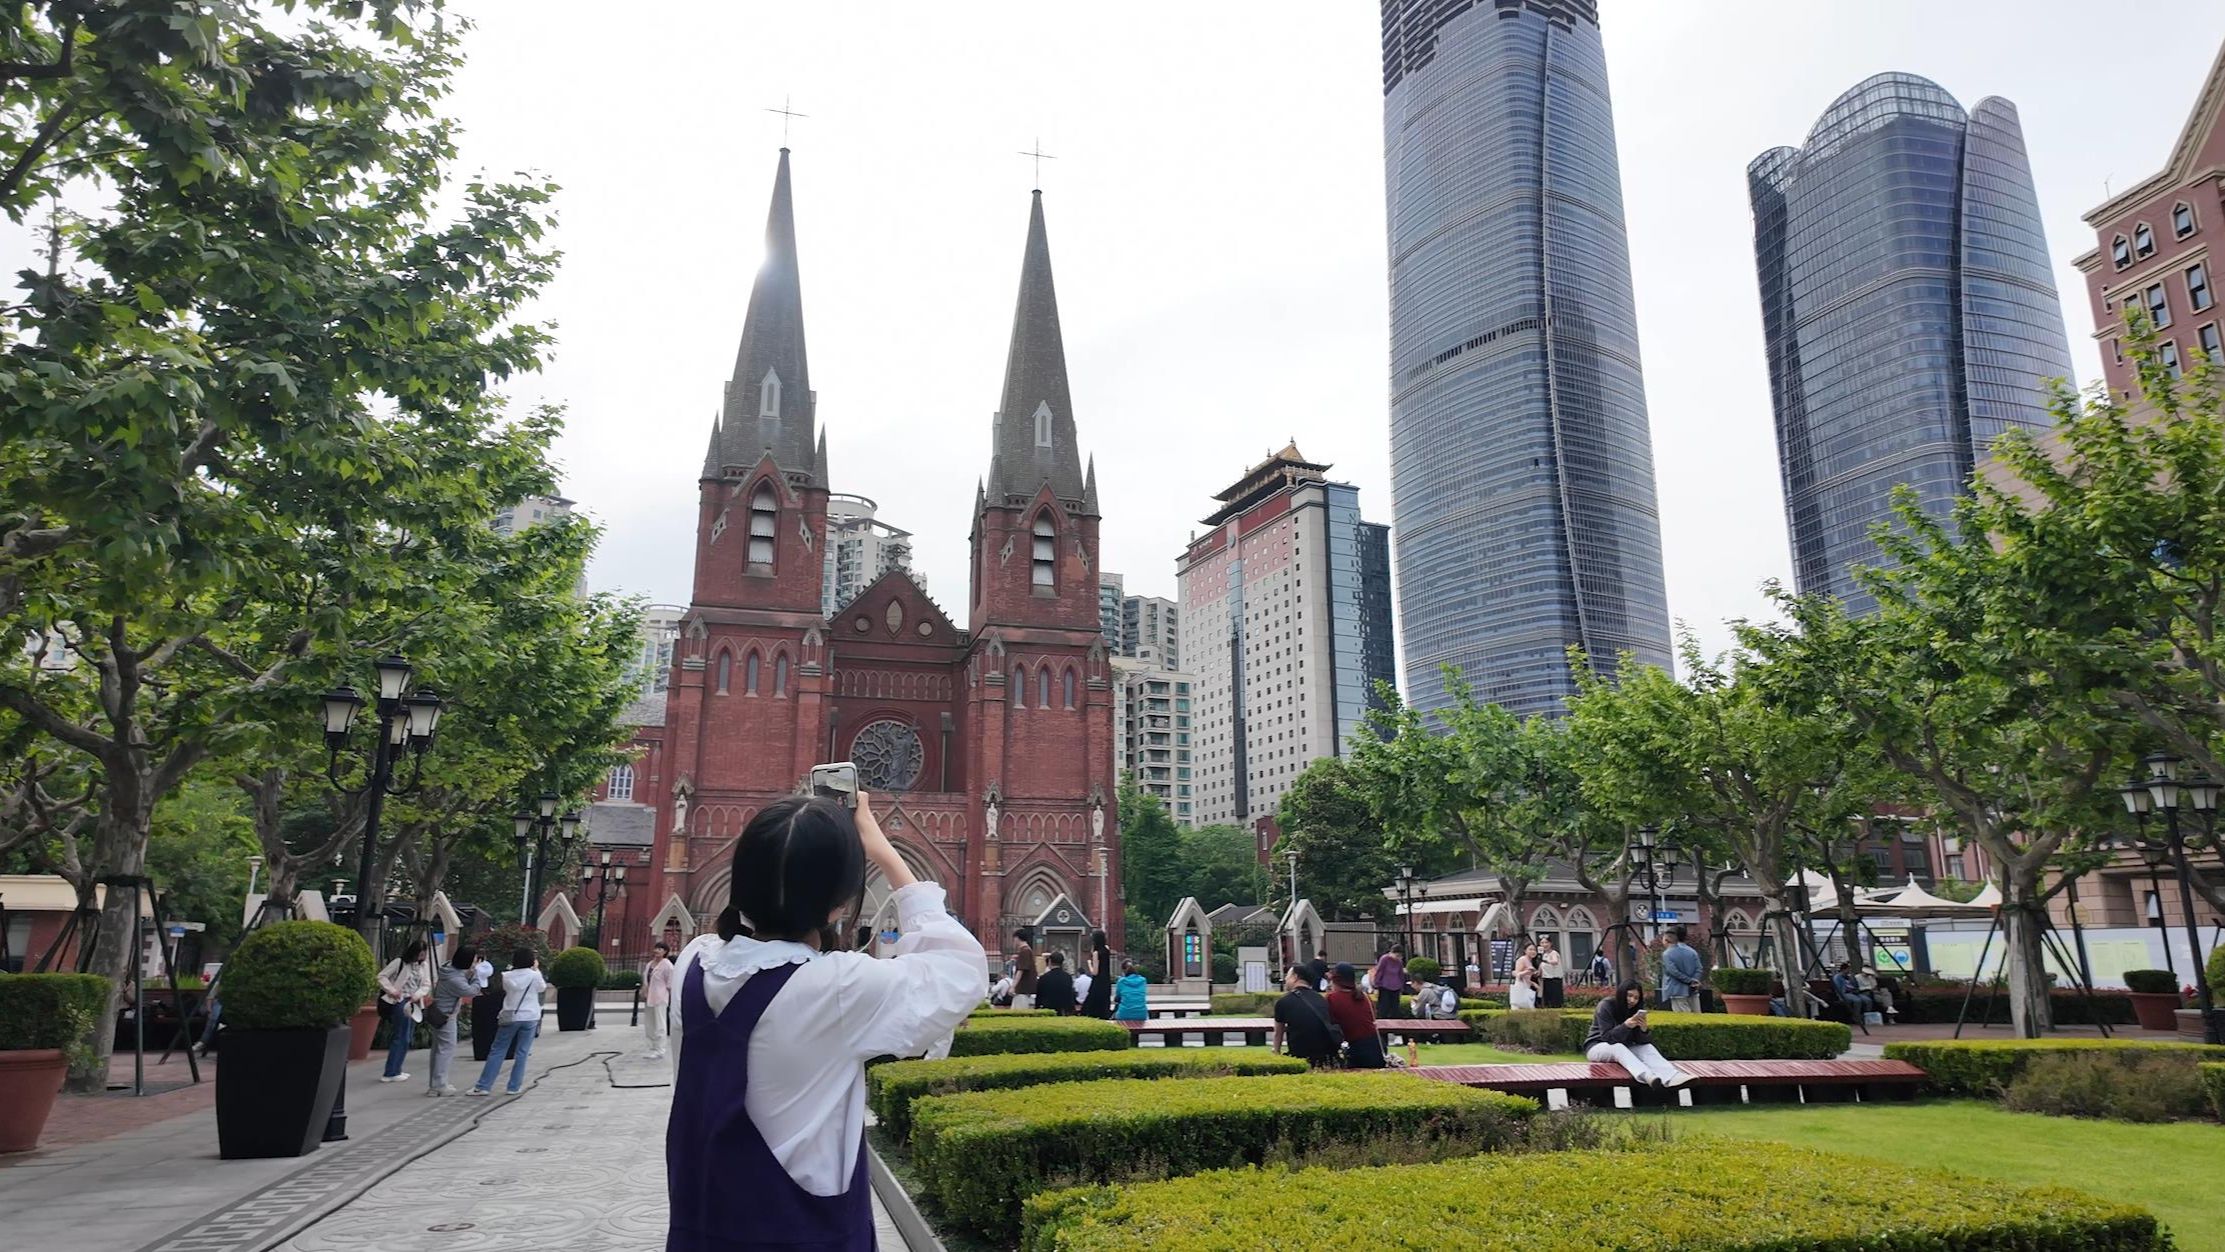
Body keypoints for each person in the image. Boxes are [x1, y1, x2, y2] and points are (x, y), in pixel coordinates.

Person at [665, 793, 981, 1250]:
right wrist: (884, 853)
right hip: (805, 1232)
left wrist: (795, 844)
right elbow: (959, 971)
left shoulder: (692, 964)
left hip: (701, 1226)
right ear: (839, 903)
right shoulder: (835, 987)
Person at [469, 948, 547, 1096]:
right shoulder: (534, 976)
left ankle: (484, 1086)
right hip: (530, 1016)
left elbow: (508, 990)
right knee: (522, 1052)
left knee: (498, 1050)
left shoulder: (507, 976)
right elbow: (541, 988)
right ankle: (514, 1087)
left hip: (510, 1015)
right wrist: (536, 970)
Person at [1584, 980, 1690, 1088]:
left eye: (1636, 998)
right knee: (1617, 1047)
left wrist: (1643, 1030)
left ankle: (1671, 1076)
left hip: (1624, 1046)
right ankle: (1646, 1076)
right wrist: (1626, 1026)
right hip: (1597, 1046)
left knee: (1647, 1047)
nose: (1632, 1000)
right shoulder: (1606, 1005)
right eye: (1629, 995)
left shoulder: (1634, 1010)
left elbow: (1640, 1041)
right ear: (1622, 993)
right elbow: (1608, 1037)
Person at [423, 943, 483, 1097]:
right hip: (446, 1016)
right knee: (446, 1050)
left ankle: (435, 1084)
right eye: (474, 960)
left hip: (439, 1013)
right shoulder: (455, 979)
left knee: (438, 1049)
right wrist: (475, 976)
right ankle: (439, 1085)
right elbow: (471, 991)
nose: (475, 963)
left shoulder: (448, 969)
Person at [376, 939, 433, 1083]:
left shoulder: (423, 966)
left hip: (413, 1001)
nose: (422, 957)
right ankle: (391, 1072)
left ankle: (396, 1069)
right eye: (420, 954)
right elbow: (381, 976)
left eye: (424, 954)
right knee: (402, 1036)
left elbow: (426, 984)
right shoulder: (400, 962)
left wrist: (418, 995)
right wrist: (392, 991)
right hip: (400, 1000)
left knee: (406, 1036)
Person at [1272, 963, 1341, 1067]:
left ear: (1295, 977)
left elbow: (1278, 1034)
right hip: (1325, 1056)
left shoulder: (1283, 1002)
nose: (1285, 979)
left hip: (1299, 1056)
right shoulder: (1321, 999)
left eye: (1288, 975)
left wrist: (1276, 1054)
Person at [1324, 963, 1383, 1068]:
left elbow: (1329, 1024)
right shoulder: (1365, 997)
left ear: (1335, 980)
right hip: (1376, 1045)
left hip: (1357, 1049)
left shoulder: (1332, 998)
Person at [1659, 927, 1703, 1013]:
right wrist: (1695, 981)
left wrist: (1690, 981)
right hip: (1693, 990)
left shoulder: (1667, 954)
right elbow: (1699, 968)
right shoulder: (1692, 951)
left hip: (1676, 990)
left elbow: (1674, 972)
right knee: (1697, 1017)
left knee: (1683, 1019)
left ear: (1667, 940)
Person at [643, 942, 675, 1060]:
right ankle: (652, 1047)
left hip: (660, 997)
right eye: (656, 948)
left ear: (665, 952)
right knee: (650, 1023)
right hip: (649, 997)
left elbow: (670, 983)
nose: (657, 950)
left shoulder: (667, 965)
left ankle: (660, 1049)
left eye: (660, 949)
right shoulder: (650, 964)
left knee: (660, 1024)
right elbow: (646, 980)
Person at [470, 947, 502, 1062]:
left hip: (483, 985)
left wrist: (477, 966)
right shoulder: (473, 964)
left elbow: (485, 973)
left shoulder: (486, 965)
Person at [1081, 930, 1115, 1019]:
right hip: (1106, 982)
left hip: (1097, 983)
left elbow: (1095, 972)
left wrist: (1089, 963)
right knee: (1104, 1006)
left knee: (1089, 1007)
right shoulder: (1107, 950)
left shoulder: (1096, 953)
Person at [1370, 946, 1407, 1019]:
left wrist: (1402, 987)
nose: (1398, 957)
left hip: (1396, 987)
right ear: (1392, 953)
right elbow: (1379, 972)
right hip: (1384, 986)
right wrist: (1376, 985)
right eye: (1397, 955)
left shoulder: (1399, 962)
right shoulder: (1384, 959)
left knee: (1395, 1009)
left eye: (1400, 956)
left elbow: (1400, 974)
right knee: (1384, 1007)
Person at [1010, 928, 1038, 1010]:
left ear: (1017, 938)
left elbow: (1021, 970)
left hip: (1023, 989)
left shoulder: (1024, 951)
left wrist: (1013, 986)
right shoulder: (1027, 950)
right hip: (1025, 989)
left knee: (1019, 1010)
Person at [1509, 943, 1540, 1010]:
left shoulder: (1530, 961)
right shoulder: (1522, 959)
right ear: (1525, 951)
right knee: (1519, 1006)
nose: (1533, 951)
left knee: (1527, 1006)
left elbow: (1526, 977)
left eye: (1534, 950)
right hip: (1520, 985)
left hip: (1527, 985)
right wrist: (1527, 972)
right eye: (1530, 949)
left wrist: (1533, 983)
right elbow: (1517, 974)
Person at [1538, 937, 1566, 1008]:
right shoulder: (1543, 955)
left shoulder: (1554, 953)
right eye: (1542, 943)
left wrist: (1545, 961)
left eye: (1546, 942)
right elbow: (1541, 967)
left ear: (1550, 943)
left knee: (1555, 1001)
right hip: (1546, 980)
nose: (1544, 944)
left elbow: (1555, 961)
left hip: (1554, 980)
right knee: (1547, 1001)